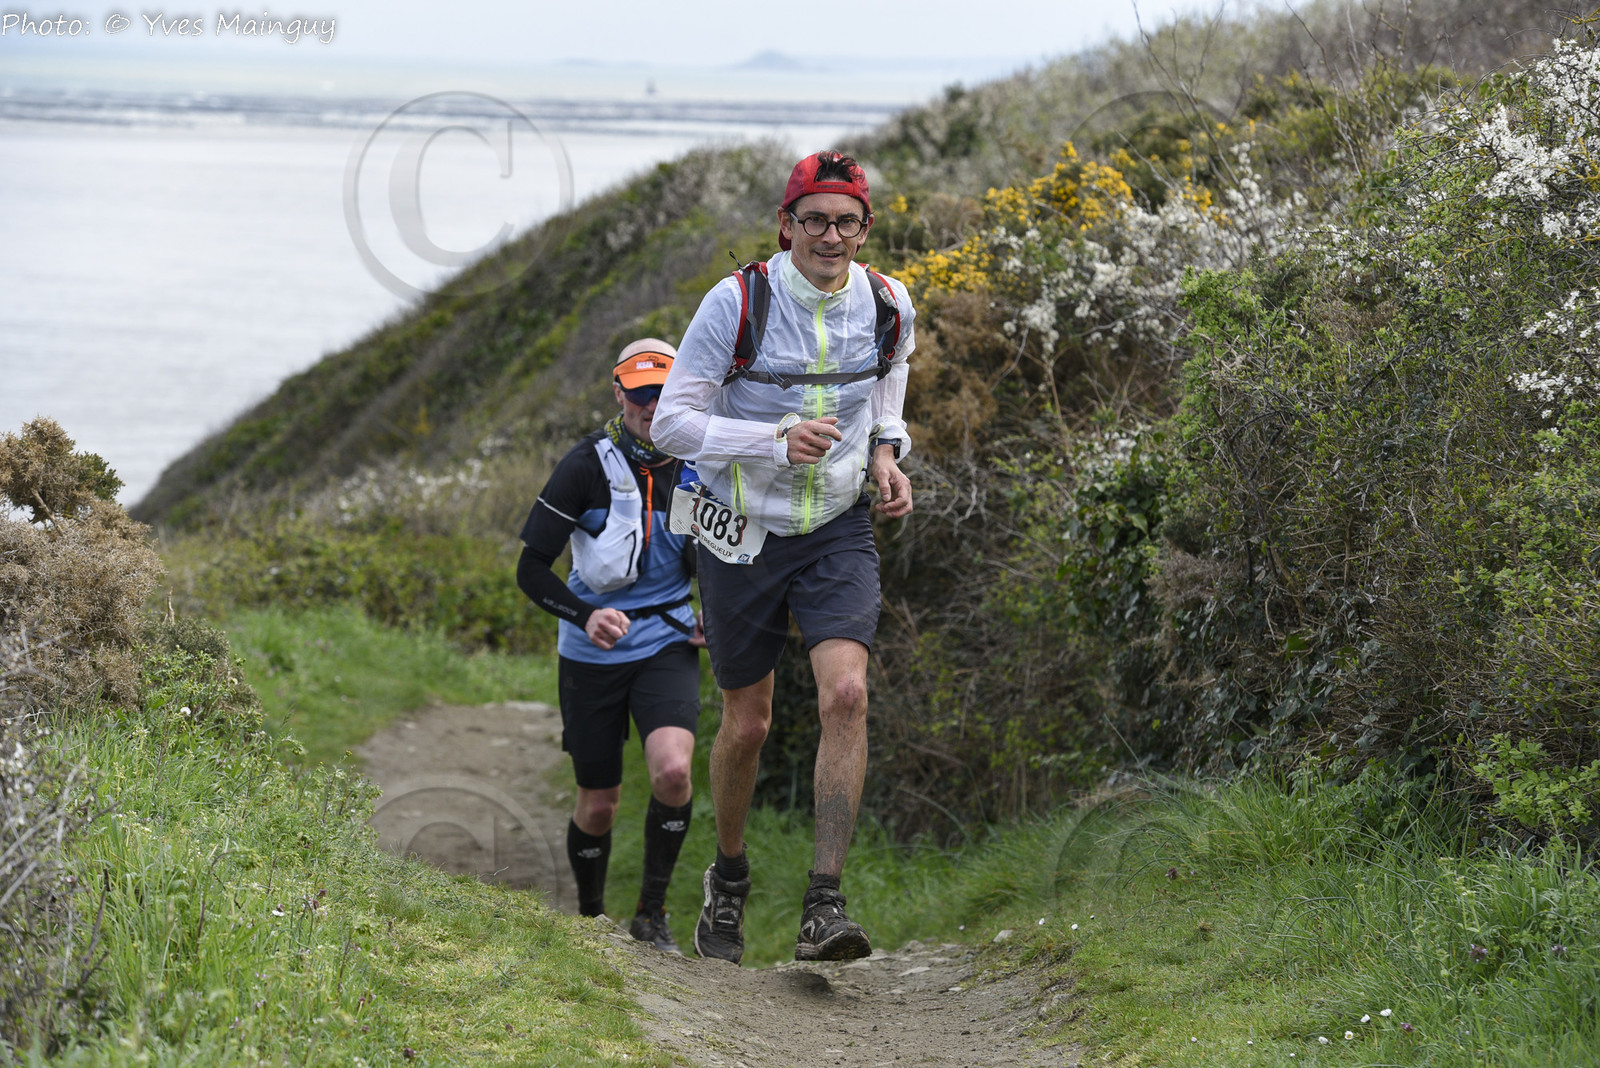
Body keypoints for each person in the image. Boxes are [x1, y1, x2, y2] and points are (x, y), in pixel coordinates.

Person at [653, 150, 915, 963]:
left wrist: (886, 451)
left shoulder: (888, 302)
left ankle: (824, 903)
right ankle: (729, 878)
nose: (830, 237)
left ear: (865, 229)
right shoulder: (737, 302)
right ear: (785, 223)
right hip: (741, 528)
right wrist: (771, 439)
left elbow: (889, 377)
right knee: (748, 724)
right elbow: (670, 423)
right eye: (814, 221)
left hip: (835, 523)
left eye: (846, 223)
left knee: (847, 694)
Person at [515, 338, 705, 954]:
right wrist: (586, 615)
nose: (652, 406)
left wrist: (716, 615)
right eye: (641, 394)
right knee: (598, 804)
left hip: (667, 639)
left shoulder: (698, 461)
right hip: (591, 651)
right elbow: (531, 570)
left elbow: (727, 552)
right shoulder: (584, 466)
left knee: (673, 771)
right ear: (619, 394)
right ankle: (592, 920)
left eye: (664, 394)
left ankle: (651, 914)